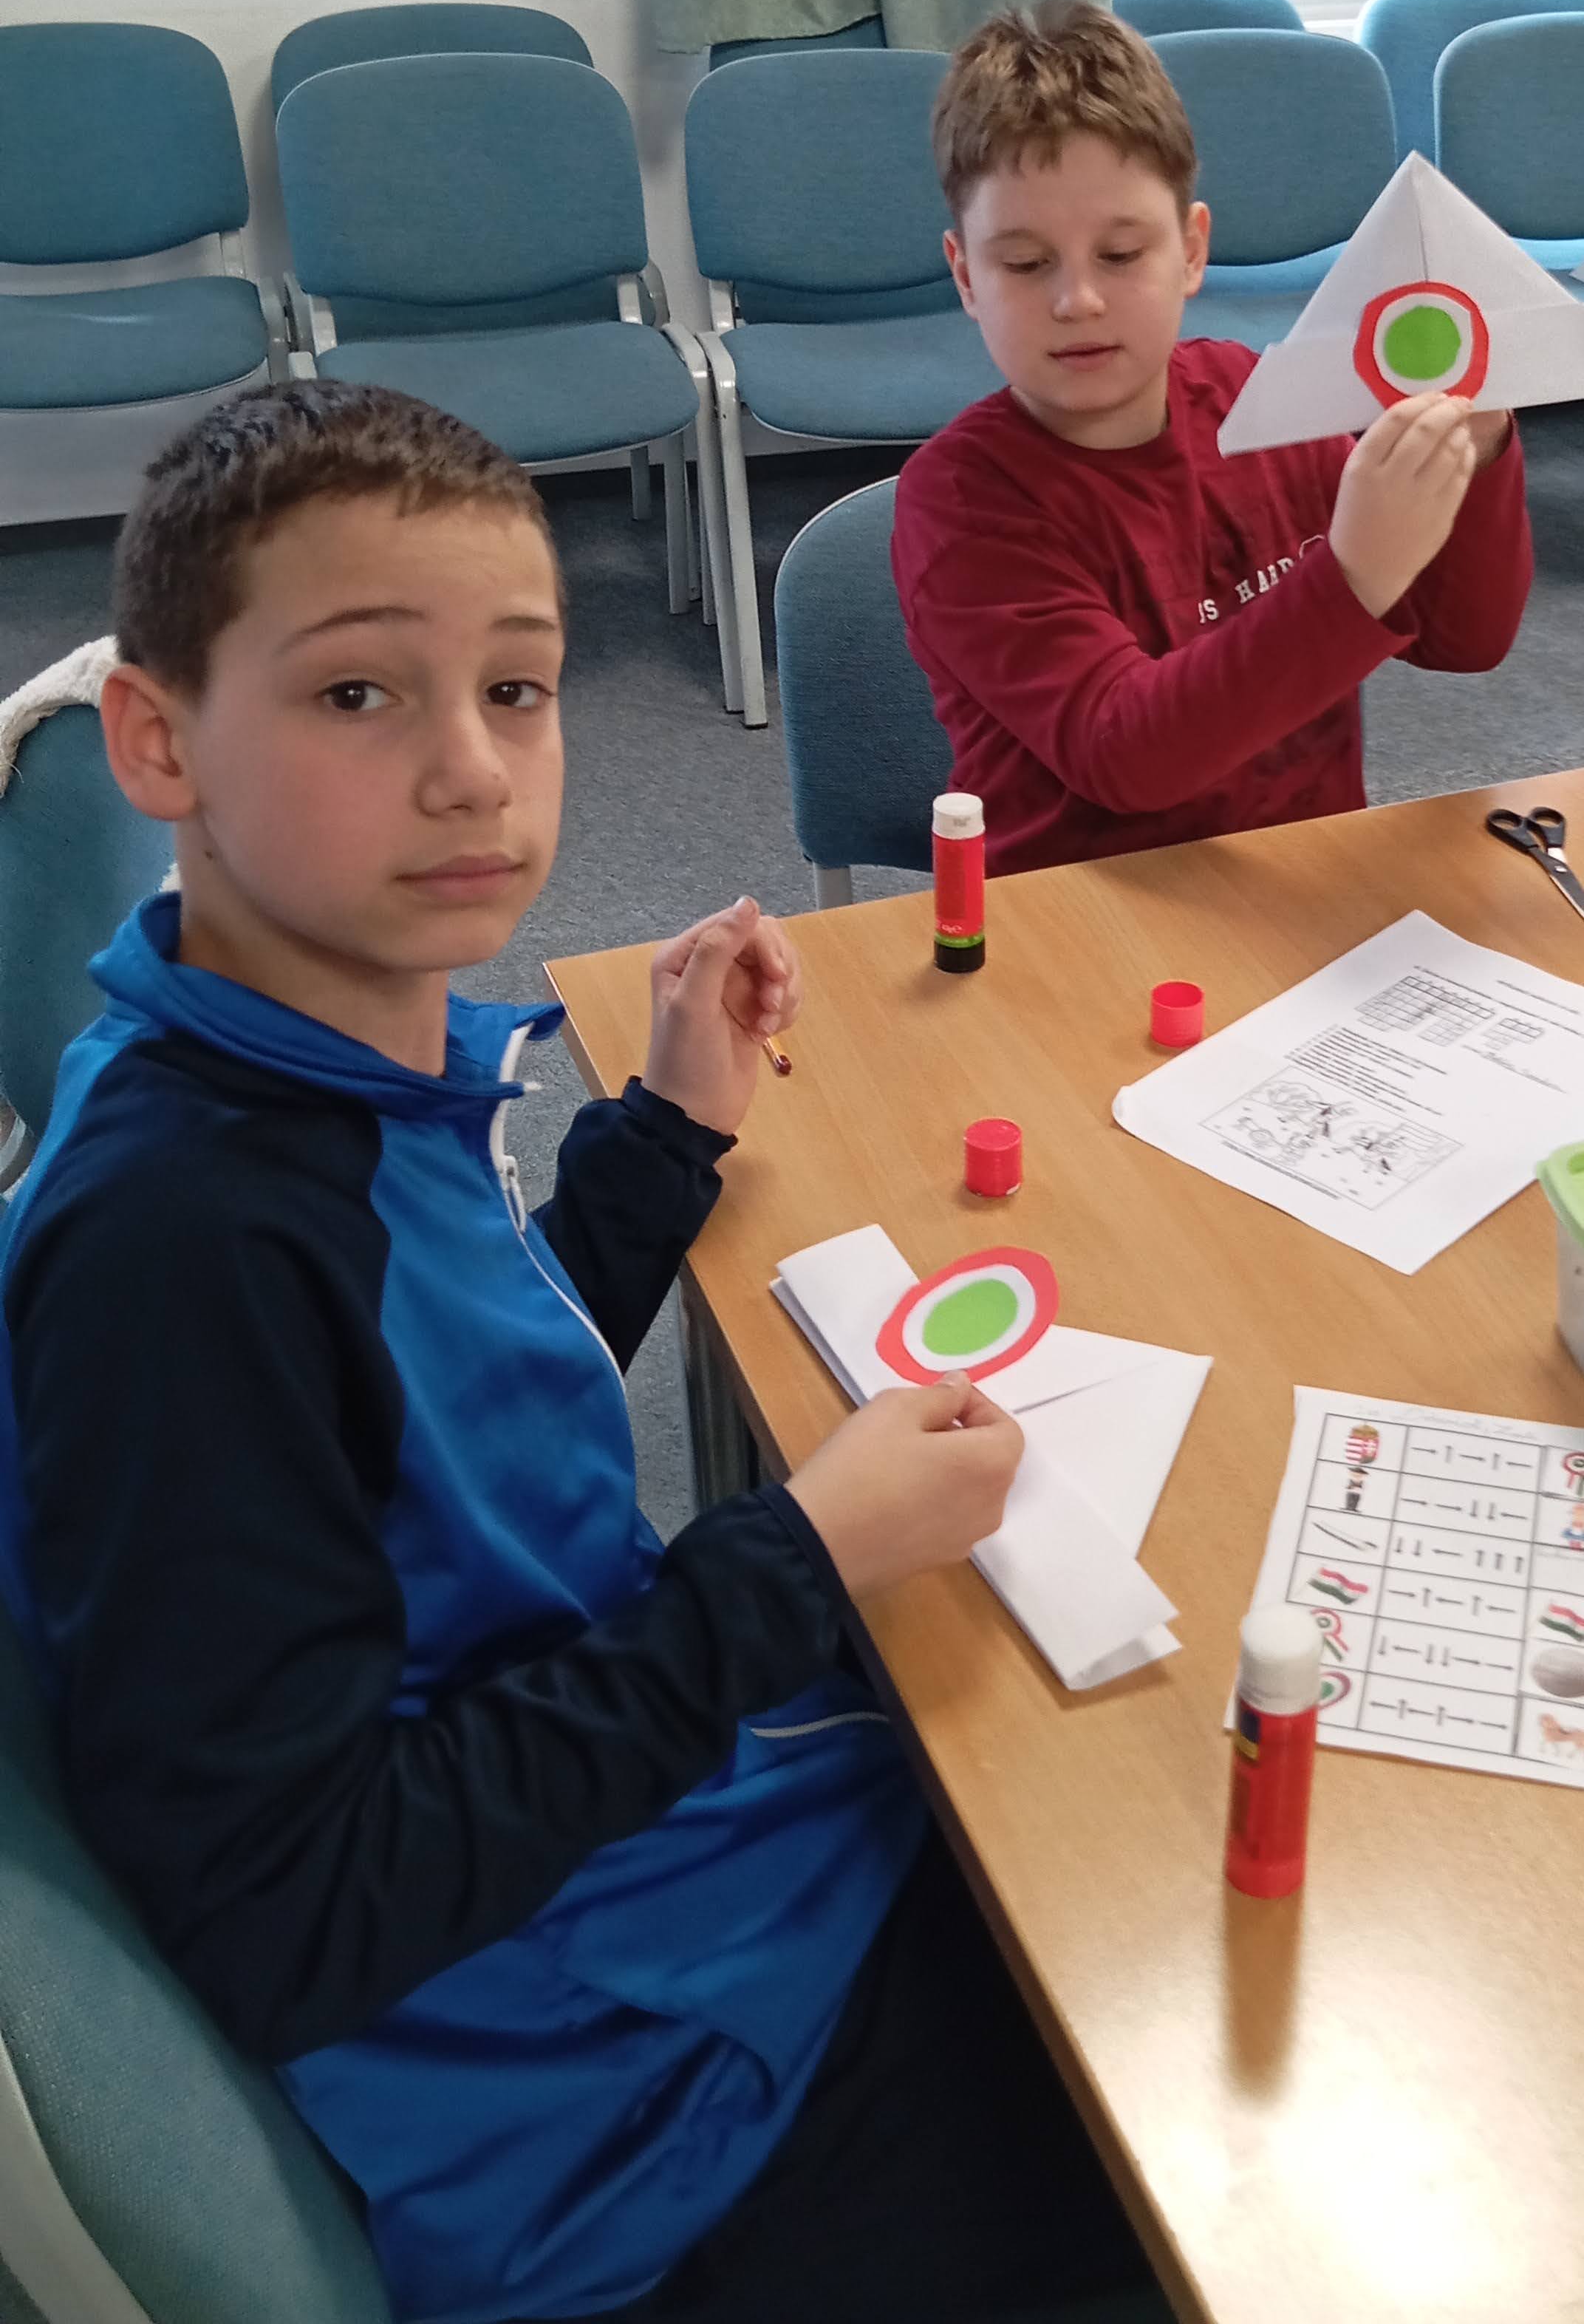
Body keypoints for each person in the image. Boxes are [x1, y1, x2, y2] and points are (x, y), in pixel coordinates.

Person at [0, 384, 1150, 2324]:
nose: (472, 773)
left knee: (1103, 1783)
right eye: (359, 694)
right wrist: (794, 1558)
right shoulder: (186, 1249)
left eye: (517, 690)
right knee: (1215, 2070)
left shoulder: (284, 1064)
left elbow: (436, 1424)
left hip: (654, 1906)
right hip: (627, 2126)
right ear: (159, 739)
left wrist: (660, 1142)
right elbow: (299, 1914)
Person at [892, 0, 1534, 873]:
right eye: (1026, 263)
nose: (1078, 300)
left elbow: (1466, 639)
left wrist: (1478, 451)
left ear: (1192, 252)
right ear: (966, 275)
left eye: (1121, 255)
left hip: (1294, 891)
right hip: (1081, 911)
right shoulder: (961, 504)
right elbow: (1126, 754)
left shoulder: (1255, 406)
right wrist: (1355, 574)